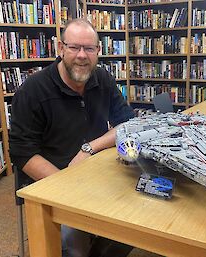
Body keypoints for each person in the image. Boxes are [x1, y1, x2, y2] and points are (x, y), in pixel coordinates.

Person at [9, 18, 135, 257]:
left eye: (89, 48)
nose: (81, 55)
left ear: (98, 51)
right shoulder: (33, 91)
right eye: (74, 47)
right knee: (74, 247)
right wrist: (68, 187)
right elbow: (22, 152)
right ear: (60, 48)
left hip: (99, 174)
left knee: (136, 223)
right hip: (55, 181)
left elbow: (127, 124)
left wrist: (89, 148)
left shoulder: (103, 79)